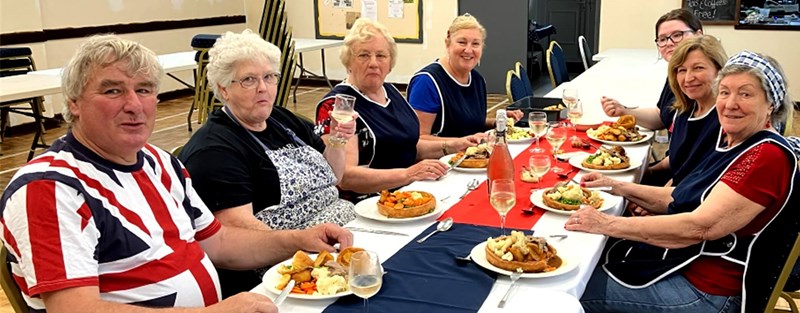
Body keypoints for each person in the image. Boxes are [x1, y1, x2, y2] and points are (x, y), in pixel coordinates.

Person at [0, 34, 353, 313]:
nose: (133, 105)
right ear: (74, 103)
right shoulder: (50, 188)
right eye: (112, 91)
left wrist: (298, 239)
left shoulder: (159, 163)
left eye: (144, 90)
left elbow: (219, 243)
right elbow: (74, 309)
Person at [571, 51, 798, 313]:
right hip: (684, 262)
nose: (730, 103)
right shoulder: (735, 141)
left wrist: (607, 224)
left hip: (709, 291)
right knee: (590, 258)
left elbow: (699, 227)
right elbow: (678, 197)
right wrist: (615, 185)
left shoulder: (765, 157)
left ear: (771, 103)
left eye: (746, 94)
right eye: (724, 92)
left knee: (572, 293)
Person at [179, 30, 358, 297]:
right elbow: (239, 235)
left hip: (342, 238)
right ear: (224, 89)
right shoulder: (214, 150)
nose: (263, 87)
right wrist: (314, 260)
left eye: (269, 77)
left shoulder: (283, 120)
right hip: (290, 271)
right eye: (249, 80)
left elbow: (334, 176)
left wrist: (337, 140)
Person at [315, 18, 478, 200]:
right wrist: (408, 174)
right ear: (348, 62)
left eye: (381, 55)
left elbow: (408, 145)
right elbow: (345, 177)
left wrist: (455, 145)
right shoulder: (339, 105)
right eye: (363, 55)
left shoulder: (389, 91)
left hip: (411, 191)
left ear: (390, 62)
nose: (374, 63)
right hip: (372, 203)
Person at [601, 8, 703, 185]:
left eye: (677, 35)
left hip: (686, 181)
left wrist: (653, 182)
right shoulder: (675, 76)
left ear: (699, 35)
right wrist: (623, 111)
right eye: (662, 39)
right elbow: (662, 117)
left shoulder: (700, 87)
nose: (669, 43)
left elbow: (697, 161)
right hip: (674, 169)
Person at [406, 13, 523, 139]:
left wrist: (498, 121)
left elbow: (469, 124)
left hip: (473, 156)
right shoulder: (427, 82)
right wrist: (460, 143)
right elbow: (418, 139)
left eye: (475, 44)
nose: (468, 50)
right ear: (448, 43)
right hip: (442, 158)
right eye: (462, 42)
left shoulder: (478, 80)